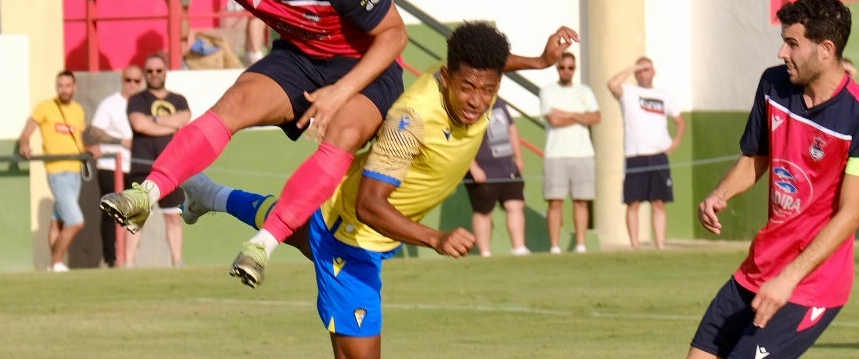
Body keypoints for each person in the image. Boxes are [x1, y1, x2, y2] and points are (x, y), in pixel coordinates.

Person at [21, 0, 410, 289]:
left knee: (345, 132)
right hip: (303, 57)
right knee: (235, 104)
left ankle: (263, 244)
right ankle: (147, 194)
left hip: (370, 66)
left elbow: (394, 36)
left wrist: (341, 91)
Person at [178, 21, 577, 359]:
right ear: (446, 77)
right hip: (351, 237)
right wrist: (434, 238)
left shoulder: (478, 78)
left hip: (341, 213)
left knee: (289, 221)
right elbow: (371, 205)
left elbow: (490, 66)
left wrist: (540, 62)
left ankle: (208, 193)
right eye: (468, 87)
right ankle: (210, 194)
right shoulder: (411, 123)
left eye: (487, 90)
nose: (477, 101)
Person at [686, 0, 859, 359]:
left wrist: (790, 278)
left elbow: (851, 214)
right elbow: (756, 158)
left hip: (811, 284)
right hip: (758, 269)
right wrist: (722, 193)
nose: (782, 53)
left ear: (825, 49)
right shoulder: (773, 85)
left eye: (792, 44)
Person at [607, 57, 686, 250]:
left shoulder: (663, 95)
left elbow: (680, 122)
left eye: (647, 69)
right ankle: (635, 246)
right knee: (633, 202)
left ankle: (660, 245)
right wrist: (633, 66)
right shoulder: (628, 92)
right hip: (635, 155)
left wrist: (674, 143)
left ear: (654, 72)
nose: (644, 74)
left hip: (659, 155)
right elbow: (612, 84)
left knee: (659, 202)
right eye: (640, 71)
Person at [16, 70, 89, 272]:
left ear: (75, 87)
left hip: (76, 171)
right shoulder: (45, 107)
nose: (64, 89)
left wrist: (91, 151)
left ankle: (55, 265)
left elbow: (79, 141)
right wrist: (25, 145)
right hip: (57, 171)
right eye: (60, 85)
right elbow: (26, 134)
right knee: (75, 221)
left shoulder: (78, 110)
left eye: (68, 85)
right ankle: (55, 263)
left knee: (58, 219)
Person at [124, 53, 191, 268]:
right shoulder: (136, 99)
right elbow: (140, 125)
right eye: (150, 71)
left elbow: (185, 118)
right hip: (142, 166)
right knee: (136, 217)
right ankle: (127, 264)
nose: (154, 74)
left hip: (171, 167)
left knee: (173, 217)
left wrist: (154, 120)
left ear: (165, 72)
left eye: (158, 70)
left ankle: (177, 261)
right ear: (145, 74)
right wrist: (170, 125)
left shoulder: (178, 99)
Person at [538, 51, 600, 254]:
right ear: (557, 68)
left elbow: (596, 117)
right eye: (562, 67)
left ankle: (581, 245)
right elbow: (553, 120)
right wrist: (580, 115)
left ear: (575, 68)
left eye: (570, 67)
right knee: (555, 201)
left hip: (583, 154)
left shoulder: (585, 91)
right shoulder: (548, 92)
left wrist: (568, 114)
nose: (566, 71)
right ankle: (554, 246)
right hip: (556, 154)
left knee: (581, 200)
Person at [85, 65, 144, 268]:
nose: (132, 85)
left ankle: (128, 259)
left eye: (136, 81)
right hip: (110, 164)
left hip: (136, 165)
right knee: (111, 212)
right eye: (128, 80)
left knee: (137, 212)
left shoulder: (145, 104)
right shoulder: (110, 103)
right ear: (122, 80)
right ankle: (111, 260)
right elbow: (95, 131)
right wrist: (120, 142)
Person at [465, 96, 529, 257]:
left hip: (507, 168)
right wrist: (473, 167)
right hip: (482, 171)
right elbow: (462, 137)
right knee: (484, 212)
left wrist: (518, 157)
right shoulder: (469, 104)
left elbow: (512, 129)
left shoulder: (500, 103)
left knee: (515, 206)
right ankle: (485, 253)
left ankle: (519, 248)